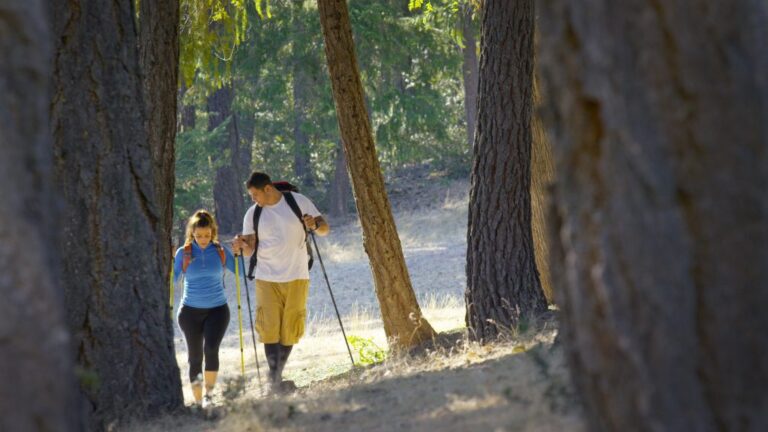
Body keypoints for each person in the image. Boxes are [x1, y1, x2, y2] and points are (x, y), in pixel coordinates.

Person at [233, 172, 330, 394]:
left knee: (290, 329)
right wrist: (240, 246)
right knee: (269, 329)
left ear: (267, 189)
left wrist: (314, 225)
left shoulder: (298, 201)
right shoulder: (253, 214)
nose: (253, 199)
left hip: (297, 274)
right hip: (266, 277)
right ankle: (274, 381)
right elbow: (249, 251)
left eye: (255, 194)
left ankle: (275, 380)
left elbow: (325, 230)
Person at [173, 210, 238, 408]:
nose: (203, 239)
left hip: (217, 310)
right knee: (194, 357)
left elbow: (241, 271)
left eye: (207, 235)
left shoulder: (220, 251)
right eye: (199, 235)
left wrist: (240, 251)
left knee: (211, 349)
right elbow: (172, 279)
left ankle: (209, 396)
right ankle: (198, 399)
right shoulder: (183, 253)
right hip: (189, 312)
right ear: (192, 233)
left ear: (213, 233)